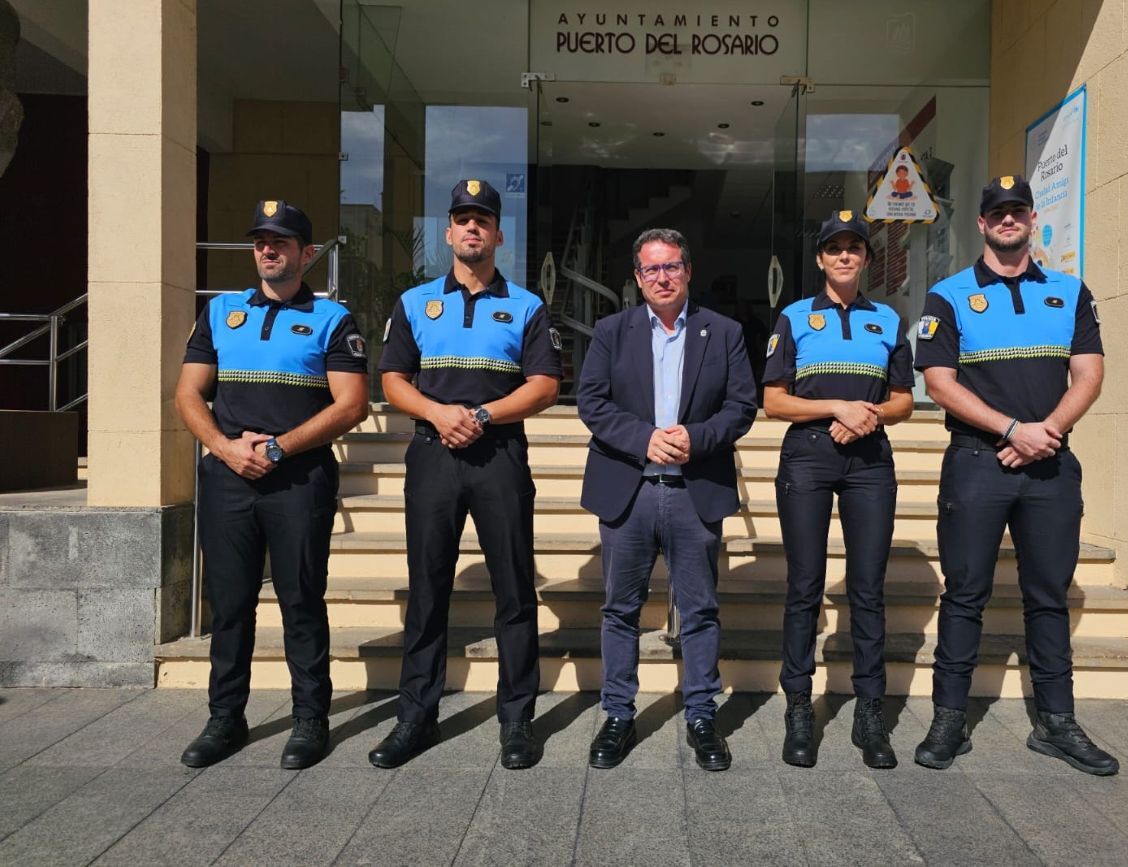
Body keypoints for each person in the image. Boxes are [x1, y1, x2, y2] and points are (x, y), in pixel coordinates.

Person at [912, 175, 1117, 775]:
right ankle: (949, 719)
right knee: (965, 594)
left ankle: (1057, 723)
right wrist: (1011, 431)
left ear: (1031, 218)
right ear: (980, 223)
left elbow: (1089, 374)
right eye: (996, 212)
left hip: (1051, 462)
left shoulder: (1070, 292)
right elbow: (939, 383)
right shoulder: (948, 295)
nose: (1007, 220)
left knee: (1048, 597)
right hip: (978, 463)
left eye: (1016, 211)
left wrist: (1043, 433)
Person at [369, 179, 561, 770]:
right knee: (427, 590)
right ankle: (416, 717)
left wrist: (480, 414)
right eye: (462, 219)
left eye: (483, 219)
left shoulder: (526, 305)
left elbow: (545, 384)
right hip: (433, 455)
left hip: (499, 455)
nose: (472, 228)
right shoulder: (414, 302)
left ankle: (516, 721)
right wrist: (437, 413)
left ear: (499, 235)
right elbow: (393, 379)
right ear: (448, 233)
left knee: (513, 592)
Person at [176, 201, 369, 769]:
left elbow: (353, 405)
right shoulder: (219, 312)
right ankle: (225, 719)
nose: (268, 249)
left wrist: (280, 446)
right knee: (229, 605)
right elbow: (188, 394)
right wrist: (225, 448)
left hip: (299, 480)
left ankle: (310, 719)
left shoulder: (334, 319)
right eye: (260, 240)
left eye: (281, 242)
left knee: (301, 601)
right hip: (228, 478)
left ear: (306, 254)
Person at [577, 228, 756, 771]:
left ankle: (702, 716)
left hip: (692, 490)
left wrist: (695, 439)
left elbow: (742, 405)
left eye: (672, 266)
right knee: (620, 611)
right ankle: (617, 714)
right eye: (651, 269)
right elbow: (591, 400)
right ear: (637, 277)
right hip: (628, 489)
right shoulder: (611, 331)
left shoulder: (722, 331)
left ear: (688, 270)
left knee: (699, 611)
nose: (662, 277)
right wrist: (644, 437)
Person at [762, 210, 915, 769]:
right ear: (821, 258)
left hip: (869, 461)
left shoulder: (889, 320)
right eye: (835, 249)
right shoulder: (795, 317)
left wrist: (867, 416)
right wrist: (836, 407)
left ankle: (869, 710)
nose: (845, 256)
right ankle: (799, 706)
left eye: (855, 248)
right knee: (804, 584)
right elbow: (774, 399)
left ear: (867, 259)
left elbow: (904, 399)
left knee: (868, 588)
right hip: (808, 456)